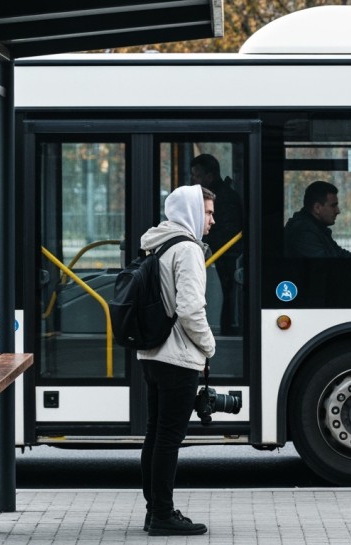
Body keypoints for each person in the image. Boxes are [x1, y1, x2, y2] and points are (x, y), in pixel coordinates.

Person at [137, 185, 216, 536]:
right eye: (209, 213)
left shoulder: (160, 243)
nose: (213, 220)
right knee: (169, 438)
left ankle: (154, 510)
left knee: (155, 434)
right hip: (178, 357)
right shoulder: (187, 249)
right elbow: (189, 308)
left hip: (153, 353)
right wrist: (209, 347)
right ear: (192, 212)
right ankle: (164, 515)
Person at [190, 154, 243, 335]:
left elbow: (227, 232)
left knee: (227, 296)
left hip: (226, 256)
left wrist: (205, 244)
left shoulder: (223, 198)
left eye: (197, 176)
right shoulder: (217, 195)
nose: (193, 180)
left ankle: (227, 328)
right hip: (221, 255)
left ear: (209, 177)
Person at [284, 180, 351, 258]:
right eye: (333, 206)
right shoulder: (304, 232)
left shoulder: (317, 228)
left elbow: (340, 254)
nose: (338, 211)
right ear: (317, 208)